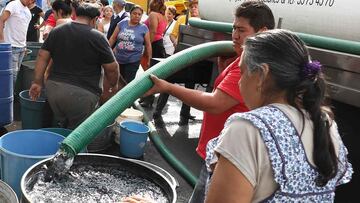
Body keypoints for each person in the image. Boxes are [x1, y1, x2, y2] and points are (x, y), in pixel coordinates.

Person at [145, 1, 275, 202]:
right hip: (220, 153)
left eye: (242, 30)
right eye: (233, 28)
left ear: (262, 31)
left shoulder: (251, 66)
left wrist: (168, 87)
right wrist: (223, 67)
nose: (235, 35)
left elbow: (216, 103)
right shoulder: (242, 58)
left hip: (226, 157)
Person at [204, 29, 353, 203]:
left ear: (261, 75)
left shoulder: (248, 129)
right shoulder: (325, 123)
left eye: (242, 72)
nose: (239, 81)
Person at [29, 2, 123, 130]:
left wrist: (37, 82)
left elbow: (42, 56)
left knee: (59, 126)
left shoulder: (57, 31)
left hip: (54, 90)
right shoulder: (98, 37)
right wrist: (113, 85)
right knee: (77, 135)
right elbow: (112, 68)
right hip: (83, 95)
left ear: (75, 14)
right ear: (94, 19)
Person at [153, 0, 200, 124]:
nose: (194, 9)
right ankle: (157, 112)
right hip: (179, 56)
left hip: (196, 60)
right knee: (168, 82)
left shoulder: (203, 21)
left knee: (190, 86)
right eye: (192, 6)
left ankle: (185, 113)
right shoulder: (182, 19)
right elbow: (173, 35)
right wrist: (177, 45)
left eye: (196, 6)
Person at [109, 5, 151, 83]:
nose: (137, 16)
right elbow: (113, 38)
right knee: (117, 81)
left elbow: (148, 44)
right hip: (118, 58)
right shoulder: (122, 23)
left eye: (139, 14)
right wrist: (107, 50)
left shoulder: (144, 28)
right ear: (130, 14)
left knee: (128, 83)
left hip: (133, 60)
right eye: (134, 13)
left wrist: (149, 58)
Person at [139, 0, 167, 108]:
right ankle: (147, 97)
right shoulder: (162, 16)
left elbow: (153, 31)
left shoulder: (153, 14)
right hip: (159, 44)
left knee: (149, 72)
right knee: (153, 73)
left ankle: (148, 98)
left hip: (154, 44)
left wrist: (147, 46)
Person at [0, 0, 32, 87]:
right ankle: (8, 97)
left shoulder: (28, 12)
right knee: (12, 76)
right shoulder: (13, 5)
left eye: (33, 1)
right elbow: (1, 20)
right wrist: (2, 40)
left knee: (15, 75)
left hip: (21, 47)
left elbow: (24, 29)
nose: (31, 2)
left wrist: (24, 45)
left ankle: (10, 95)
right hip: (11, 46)